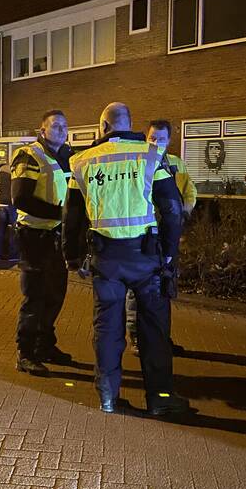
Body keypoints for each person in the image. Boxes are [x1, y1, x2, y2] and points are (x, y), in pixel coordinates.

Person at [64, 102, 189, 417]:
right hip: (146, 259)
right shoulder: (150, 155)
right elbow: (172, 209)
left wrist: (72, 256)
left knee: (107, 328)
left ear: (103, 126)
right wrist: (171, 253)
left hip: (106, 260)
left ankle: (108, 397)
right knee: (154, 329)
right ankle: (160, 397)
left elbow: (72, 217)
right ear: (130, 123)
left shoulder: (81, 162)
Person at [12, 110, 73, 374]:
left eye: (64, 126)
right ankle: (25, 353)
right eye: (55, 126)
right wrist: (60, 214)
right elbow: (21, 198)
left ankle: (45, 345)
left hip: (58, 236)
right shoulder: (30, 155)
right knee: (34, 296)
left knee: (55, 295)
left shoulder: (68, 156)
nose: (61, 130)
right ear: (42, 130)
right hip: (34, 236)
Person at [125, 119, 192, 356]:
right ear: (146, 138)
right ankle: (135, 337)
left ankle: (161, 338)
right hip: (146, 236)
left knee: (164, 290)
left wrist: (181, 215)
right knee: (138, 290)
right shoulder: (138, 162)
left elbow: (188, 193)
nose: (156, 143)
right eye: (153, 138)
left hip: (168, 236)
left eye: (161, 139)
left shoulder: (176, 163)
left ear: (169, 141)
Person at [0, 163, 19, 261]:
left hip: (2, 202)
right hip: (12, 203)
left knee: (0, 229)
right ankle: (13, 254)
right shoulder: (17, 168)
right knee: (13, 229)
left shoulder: (2, 168)